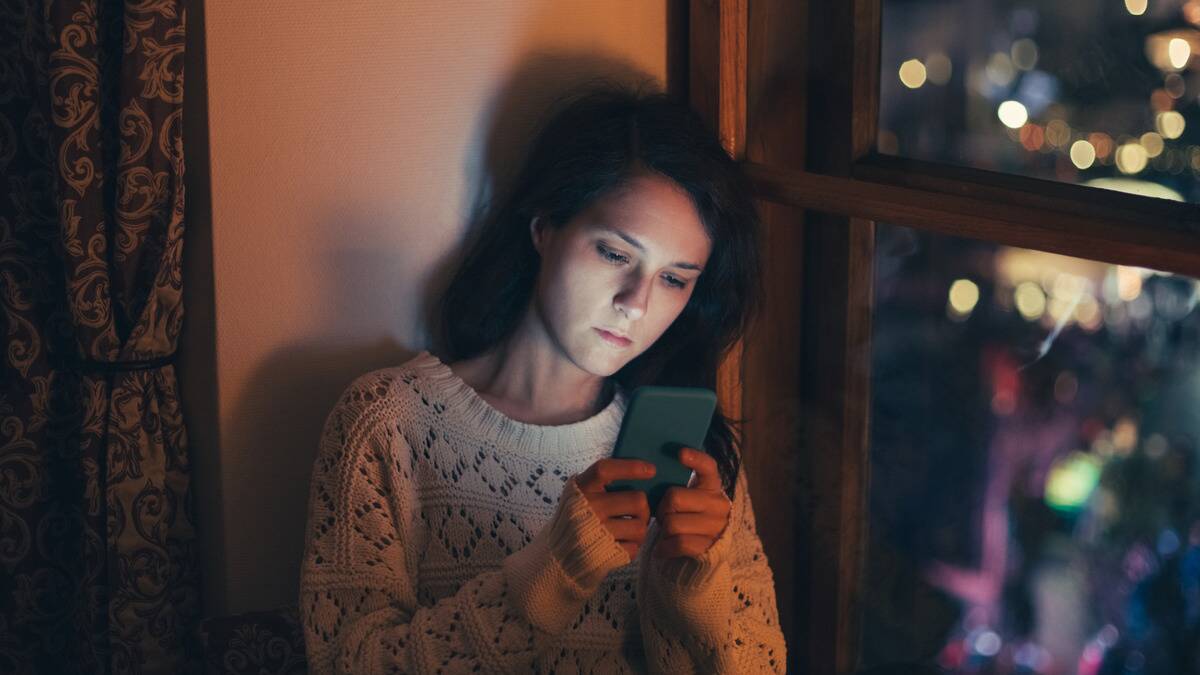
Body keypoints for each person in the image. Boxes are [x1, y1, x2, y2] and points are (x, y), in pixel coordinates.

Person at [299, 83, 787, 673]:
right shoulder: (388, 422)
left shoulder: (692, 456)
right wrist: (547, 577)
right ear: (544, 226)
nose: (636, 303)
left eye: (674, 279)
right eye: (614, 254)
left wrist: (695, 601)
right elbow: (347, 663)